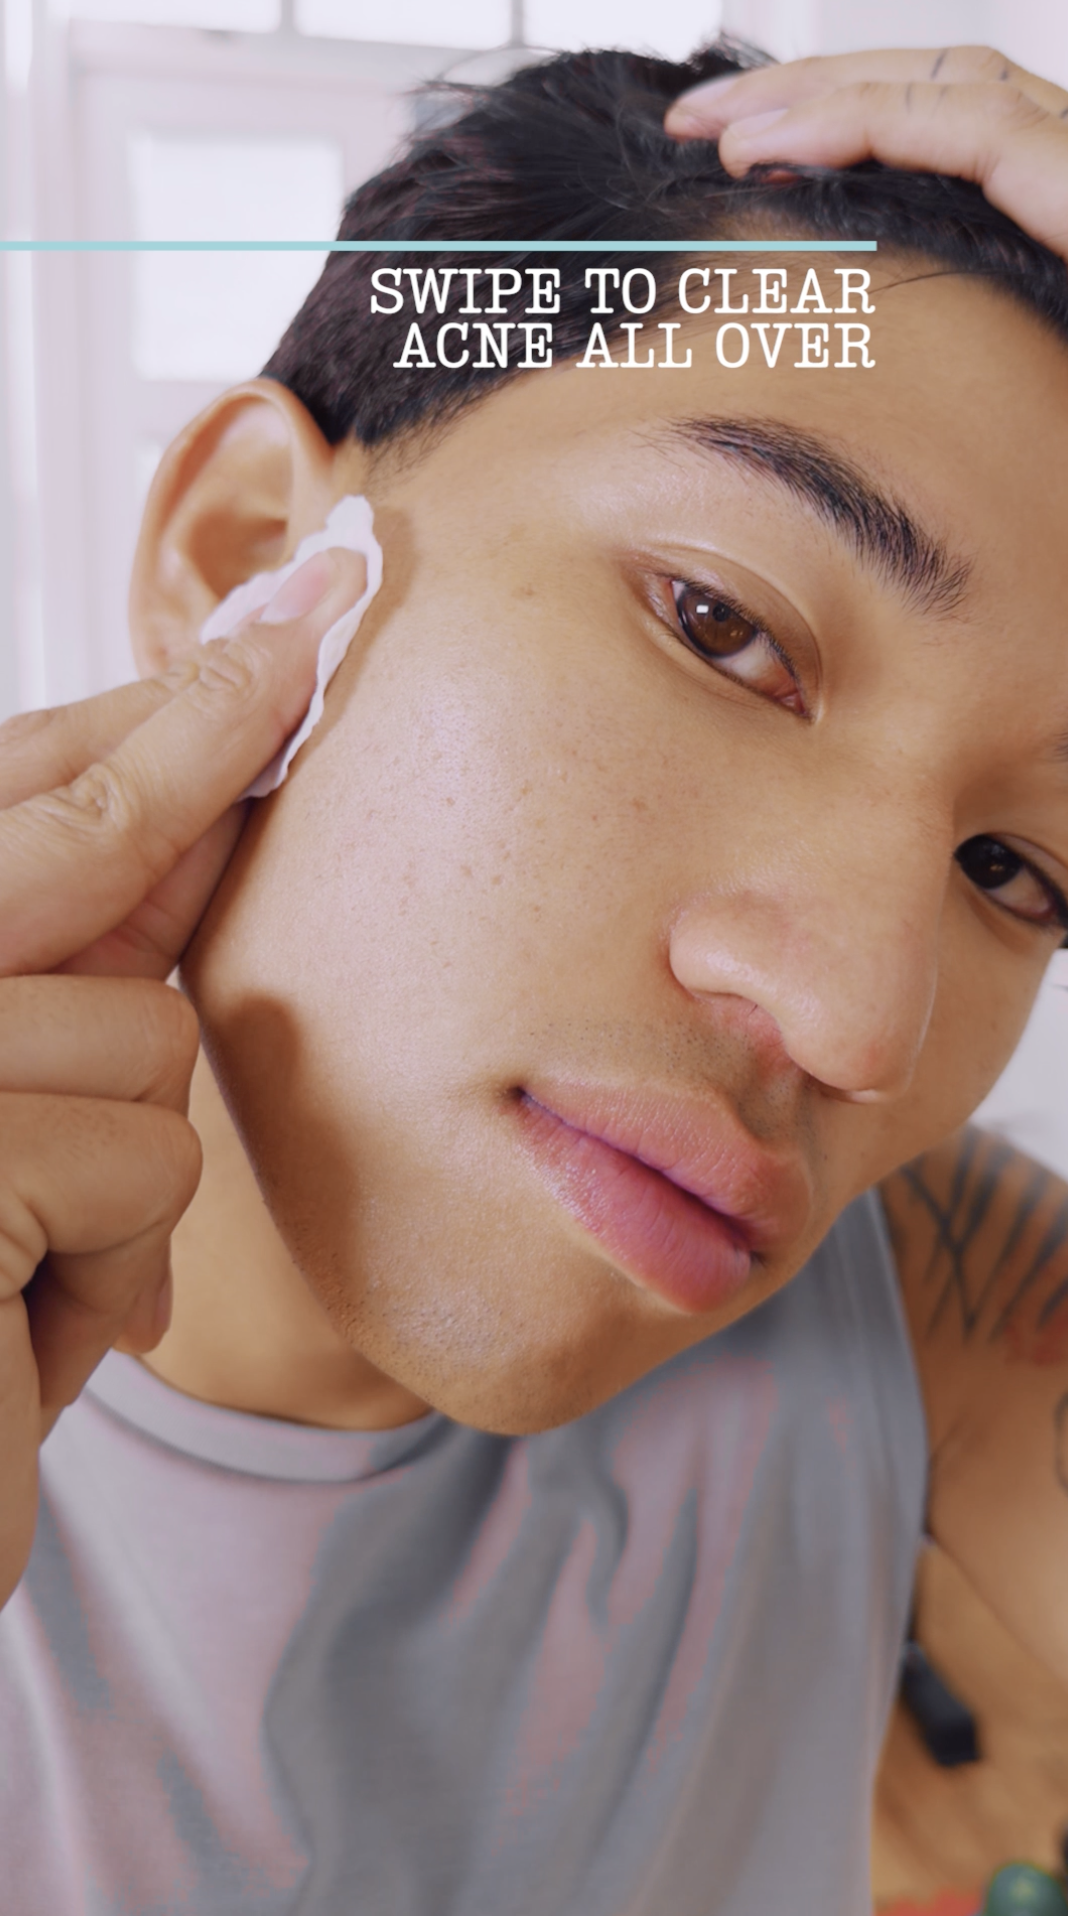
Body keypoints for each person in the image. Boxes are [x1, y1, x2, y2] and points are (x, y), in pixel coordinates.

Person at [2, 36, 1068, 1916]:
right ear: (254, 558)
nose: (857, 1028)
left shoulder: (925, 1314)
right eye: (723, 628)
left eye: (1020, 874)